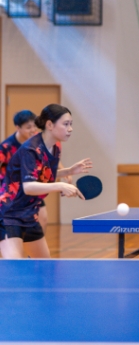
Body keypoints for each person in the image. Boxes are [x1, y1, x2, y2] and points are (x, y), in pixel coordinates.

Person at [0, 104, 92, 259]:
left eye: (71, 124)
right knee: (15, 266)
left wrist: (68, 171)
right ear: (49, 125)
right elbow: (29, 186)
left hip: (30, 213)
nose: (70, 129)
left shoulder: (55, 146)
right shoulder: (30, 149)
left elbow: (43, 176)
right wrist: (61, 185)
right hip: (9, 214)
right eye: (65, 124)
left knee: (44, 266)